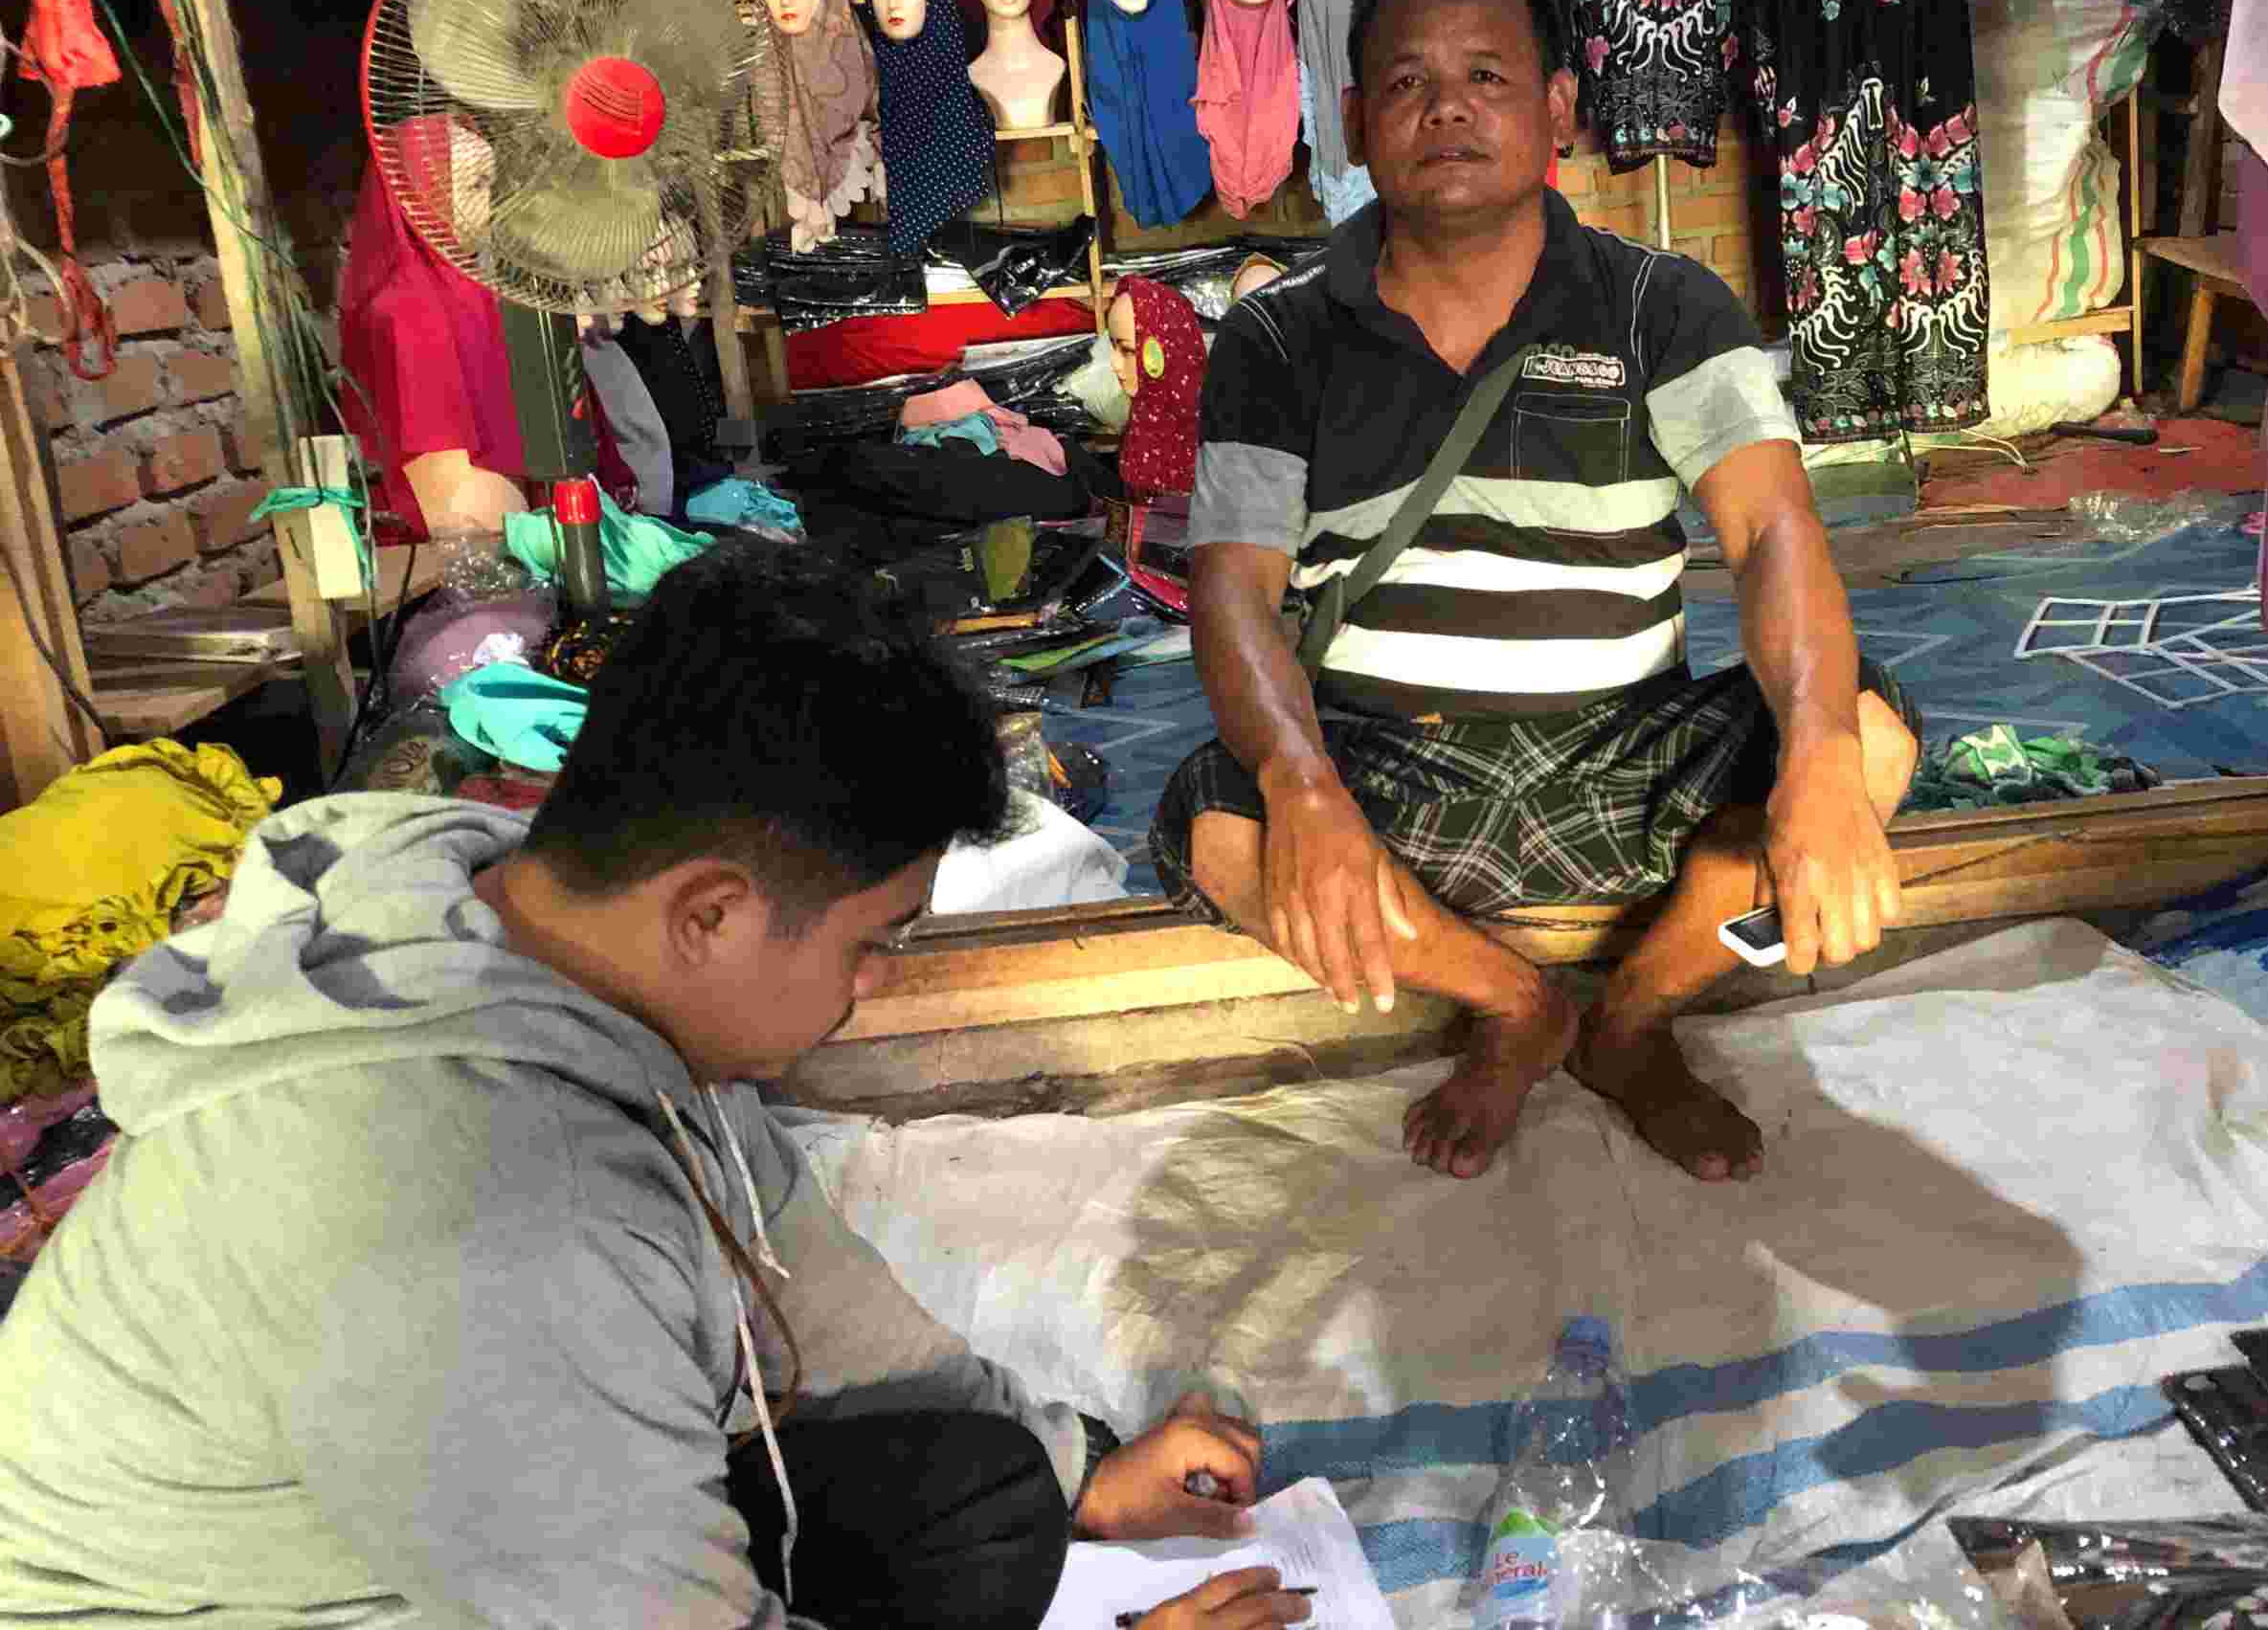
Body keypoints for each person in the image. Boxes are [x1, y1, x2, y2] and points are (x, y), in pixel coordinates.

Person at [0, 545, 1309, 1630]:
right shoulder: (485, 1224)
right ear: (712, 914)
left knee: (985, 1494)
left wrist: (1079, 1467)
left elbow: (817, 1291)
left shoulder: (545, 934)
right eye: (874, 941)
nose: (870, 989)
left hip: (413, 1513)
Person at [1153, 0, 1921, 1187]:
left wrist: (1821, 754)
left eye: (1487, 76)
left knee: (1871, 735)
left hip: (1630, 763)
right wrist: (1301, 783)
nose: (1446, 108)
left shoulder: (1666, 308)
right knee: (1222, 831)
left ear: (1558, 108)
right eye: (1407, 82)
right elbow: (1232, 586)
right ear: (1352, 120)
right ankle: (1519, 1005)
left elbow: (1773, 530)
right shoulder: (1276, 339)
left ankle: (1633, 1018)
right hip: (1389, 771)